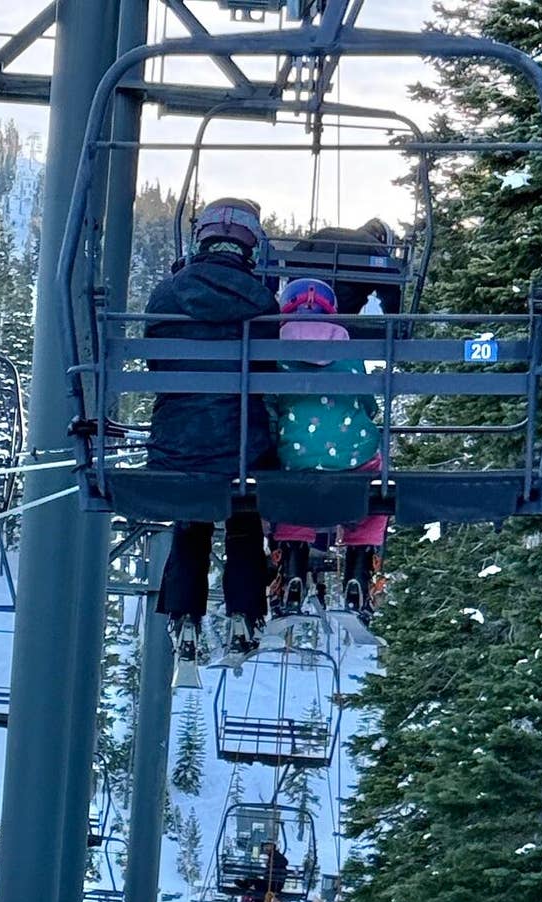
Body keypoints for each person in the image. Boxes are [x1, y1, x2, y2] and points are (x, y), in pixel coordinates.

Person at [146, 198, 280, 680]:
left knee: (194, 510)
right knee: (244, 508)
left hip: (175, 446)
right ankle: (244, 611)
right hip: (243, 449)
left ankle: (185, 617)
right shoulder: (263, 302)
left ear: (200, 238)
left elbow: (157, 367)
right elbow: (268, 377)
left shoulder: (166, 295)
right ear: (249, 246)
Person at [272, 276, 381, 477]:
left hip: (297, 460)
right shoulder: (350, 353)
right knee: (371, 455)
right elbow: (369, 403)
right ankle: (373, 506)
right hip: (356, 458)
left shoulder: (277, 355)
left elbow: (271, 407)